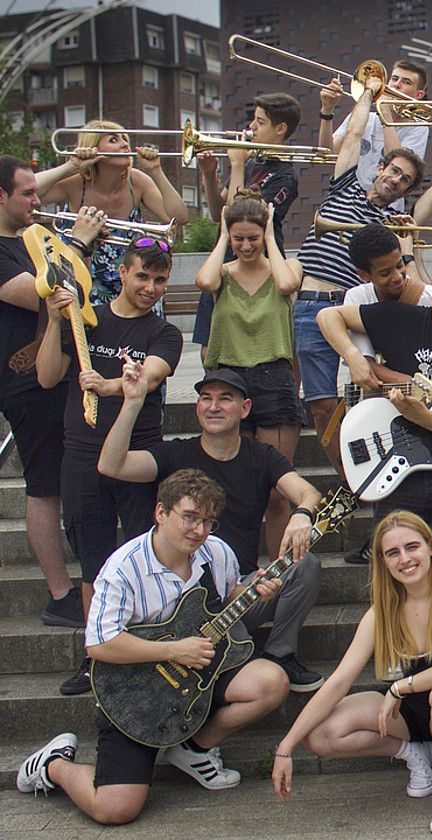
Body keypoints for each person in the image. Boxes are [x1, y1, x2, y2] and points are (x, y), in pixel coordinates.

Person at [15, 470, 289, 825]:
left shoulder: (217, 552)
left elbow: (225, 596)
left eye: (208, 521)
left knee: (272, 681)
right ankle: (53, 765)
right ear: (161, 513)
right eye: (190, 517)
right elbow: (99, 643)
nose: (200, 531)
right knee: (115, 808)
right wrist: (173, 652)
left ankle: (193, 748)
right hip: (135, 692)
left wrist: (254, 590)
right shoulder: (123, 569)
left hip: (197, 681)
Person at [98, 364, 326, 692]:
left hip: (241, 589)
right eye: (206, 398)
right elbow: (111, 465)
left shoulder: (261, 456)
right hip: (183, 603)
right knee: (237, 664)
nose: (214, 406)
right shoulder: (176, 453)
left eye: (225, 398)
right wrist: (132, 402)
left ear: (245, 408)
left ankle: (280, 655)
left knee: (305, 564)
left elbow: (308, 492)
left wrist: (302, 514)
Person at [271, 511, 432, 833]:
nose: (405, 559)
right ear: (382, 562)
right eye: (393, 552)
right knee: (320, 734)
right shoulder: (381, 612)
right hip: (412, 717)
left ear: (430, 547)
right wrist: (285, 747)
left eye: (412, 546)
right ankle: (415, 753)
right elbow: (338, 682)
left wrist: (398, 688)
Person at [36, 239, 182, 696]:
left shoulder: (164, 333)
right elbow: (45, 376)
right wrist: (56, 321)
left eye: (160, 280)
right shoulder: (87, 320)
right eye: (142, 277)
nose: (151, 288)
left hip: (137, 456)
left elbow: (151, 376)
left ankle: (145, 644)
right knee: (93, 558)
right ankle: (95, 651)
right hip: (81, 454)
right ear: (122, 272)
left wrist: (107, 385)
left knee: (145, 551)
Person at [318, 248, 432, 568]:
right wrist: (352, 356)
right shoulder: (402, 318)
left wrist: (426, 418)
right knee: (395, 578)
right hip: (395, 467)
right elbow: (328, 316)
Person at [291, 73, 426, 466]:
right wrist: (369, 92)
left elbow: (403, 281)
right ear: (381, 167)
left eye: (405, 181)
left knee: (370, 395)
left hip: (358, 309)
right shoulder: (345, 188)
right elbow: (350, 138)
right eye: (394, 171)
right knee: (319, 404)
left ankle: (375, 463)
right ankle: (348, 478)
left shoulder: (397, 223)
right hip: (313, 303)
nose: (396, 180)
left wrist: (408, 242)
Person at [0, 155, 84, 627]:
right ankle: (59, 593)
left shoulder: (23, 235)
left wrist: (77, 163)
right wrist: (80, 244)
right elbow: (43, 294)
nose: (38, 200)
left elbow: (32, 187)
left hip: (60, 371)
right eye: (28, 195)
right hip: (24, 382)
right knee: (43, 485)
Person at [194, 192, 301, 559]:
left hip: (273, 379)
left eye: (251, 238)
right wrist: (223, 237)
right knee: (228, 487)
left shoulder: (285, 269)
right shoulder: (223, 274)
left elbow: (287, 286)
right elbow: (204, 281)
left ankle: (279, 576)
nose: (245, 245)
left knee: (276, 493)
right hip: (228, 378)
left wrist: (270, 235)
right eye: (238, 238)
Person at [192, 92, 304, 356]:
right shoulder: (251, 161)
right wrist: (209, 174)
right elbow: (219, 213)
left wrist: (237, 165)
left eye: (260, 122)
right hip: (225, 258)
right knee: (208, 348)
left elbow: (239, 215)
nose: (251, 127)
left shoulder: (285, 176)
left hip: (257, 260)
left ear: (280, 129)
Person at [35, 120, 190, 305]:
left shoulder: (137, 182)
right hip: (82, 282)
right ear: (93, 147)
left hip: (133, 285)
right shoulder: (75, 183)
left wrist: (156, 171)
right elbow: (26, 192)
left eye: (125, 139)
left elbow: (179, 217)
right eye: (113, 139)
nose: (125, 144)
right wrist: (72, 166)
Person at [319, 60, 431, 212]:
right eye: (394, 79)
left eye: (406, 82)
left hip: (385, 208)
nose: (396, 85)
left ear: (418, 95)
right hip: (345, 201)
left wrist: (385, 112)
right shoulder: (365, 116)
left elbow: (399, 163)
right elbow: (327, 153)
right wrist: (327, 110)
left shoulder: (418, 127)